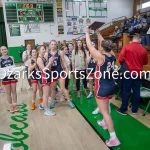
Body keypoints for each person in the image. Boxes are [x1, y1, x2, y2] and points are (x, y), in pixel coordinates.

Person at [85, 28, 120, 147]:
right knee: (107, 106)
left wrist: (86, 33)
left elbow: (89, 46)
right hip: (111, 85)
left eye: (100, 46)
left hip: (103, 86)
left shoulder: (101, 57)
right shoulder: (112, 55)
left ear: (102, 48)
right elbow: (105, 43)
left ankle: (113, 138)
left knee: (105, 112)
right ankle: (105, 123)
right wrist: (99, 34)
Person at [117, 34, 148, 115]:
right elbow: (145, 62)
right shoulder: (143, 50)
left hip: (128, 72)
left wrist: (124, 63)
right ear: (140, 40)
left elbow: (120, 59)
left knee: (126, 91)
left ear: (133, 39)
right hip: (138, 73)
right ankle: (135, 110)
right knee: (136, 91)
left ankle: (123, 110)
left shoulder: (127, 47)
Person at [46, 40, 75, 109]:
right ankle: (53, 101)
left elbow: (63, 62)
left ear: (56, 45)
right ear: (50, 45)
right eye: (52, 44)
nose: (53, 45)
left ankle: (69, 101)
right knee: (53, 89)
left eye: (55, 44)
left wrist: (66, 71)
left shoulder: (60, 52)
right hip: (52, 72)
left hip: (60, 71)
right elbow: (47, 65)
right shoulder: (47, 54)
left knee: (63, 88)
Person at [37, 45, 56, 116]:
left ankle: (42, 105)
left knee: (48, 93)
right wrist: (50, 62)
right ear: (39, 50)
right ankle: (46, 110)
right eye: (42, 49)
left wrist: (51, 61)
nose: (44, 50)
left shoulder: (44, 58)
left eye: (44, 49)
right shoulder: (39, 59)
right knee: (46, 94)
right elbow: (44, 69)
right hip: (44, 77)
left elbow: (48, 68)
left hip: (48, 76)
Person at [0, 46, 19, 113]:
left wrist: (16, 71)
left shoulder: (11, 57)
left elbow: (14, 66)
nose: (4, 50)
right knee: (8, 92)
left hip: (12, 76)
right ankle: (11, 105)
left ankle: (15, 104)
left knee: (14, 91)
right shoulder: (0, 59)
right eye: (2, 49)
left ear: (7, 50)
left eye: (5, 49)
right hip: (5, 78)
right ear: (0, 51)